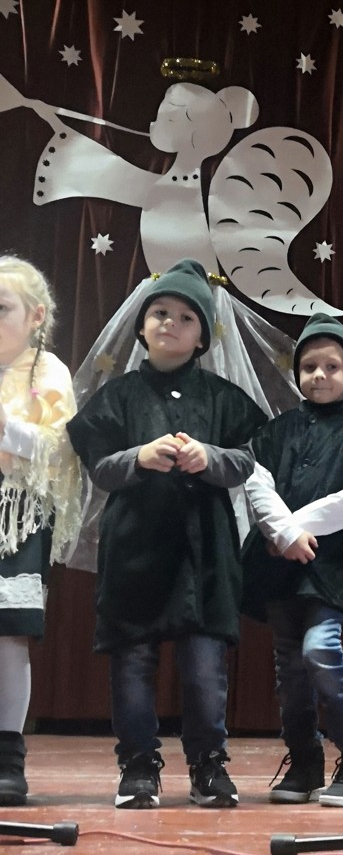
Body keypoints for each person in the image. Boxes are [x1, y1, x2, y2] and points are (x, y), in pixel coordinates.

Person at [67, 259, 267, 809]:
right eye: (160, 313)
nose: (170, 324)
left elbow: (249, 460)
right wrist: (138, 457)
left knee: (204, 667)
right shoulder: (117, 395)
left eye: (185, 317)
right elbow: (100, 468)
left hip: (205, 553)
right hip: (134, 550)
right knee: (132, 660)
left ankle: (208, 765)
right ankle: (137, 765)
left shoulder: (225, 398)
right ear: (142, 325)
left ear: (202, 335)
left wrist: (210, 458)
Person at [242, 314, 343, 807]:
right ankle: (305, 759)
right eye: (309, 366)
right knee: (289, 665)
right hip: (279, 566)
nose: (319, 375)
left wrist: (295, 528)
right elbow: (256, 484)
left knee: (319, 648)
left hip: (334, 566)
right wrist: (282, 532)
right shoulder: (277, 430)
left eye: (332, 366)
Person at [0, 256, 82, 806]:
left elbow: (56, 447)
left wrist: (6, 426)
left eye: (1, 307)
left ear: (36, 316)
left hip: (16, 514)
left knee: (8, 632)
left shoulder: (47, 372)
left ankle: (7, 757)